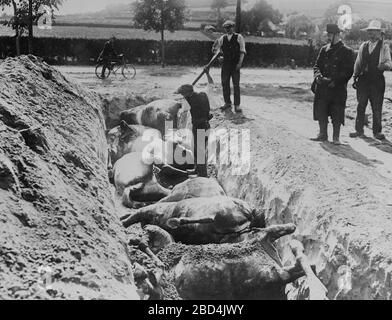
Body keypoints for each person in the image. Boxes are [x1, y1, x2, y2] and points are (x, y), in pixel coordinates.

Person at [312, 24, 354, 145]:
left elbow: (348, 71)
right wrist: (318, 76)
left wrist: (335, 81)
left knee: (336, 112)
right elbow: (316, 66)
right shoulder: (324, 49)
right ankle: (322, 134)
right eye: (328, 34)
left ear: (337, 35)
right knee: (321, 110)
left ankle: (336, 137)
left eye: (330, 34)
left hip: (337, 88)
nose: (328, 37)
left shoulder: (347, 51)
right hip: (322, 86)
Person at [350, 20, 392, 141]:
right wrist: (355, 76)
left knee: (377, 107)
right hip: (363, 80)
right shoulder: (363, 46)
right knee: (360, 105)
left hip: (377, 81)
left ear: (379, 33)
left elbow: (389, 63)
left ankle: (377, 132)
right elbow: (358, 63)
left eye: (373, 32)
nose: (371, 34)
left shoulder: (384, 47)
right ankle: (358, 130)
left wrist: (383, 66)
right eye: (369, 32)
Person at [175, 83, 213, 178]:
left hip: (200, 126)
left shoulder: (192, 100)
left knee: (199, 151)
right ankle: (197, 170)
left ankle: (202, 175)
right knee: (197, 150)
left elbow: (184, 109)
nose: (183, 96)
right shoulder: (202, 95)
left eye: (183, 94)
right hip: (204, 125)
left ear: (187, 94)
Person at [213, 20, 247, 114]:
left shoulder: (239, 37)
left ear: (233, 27)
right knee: (225, 83)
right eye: (226, 28)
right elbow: (216, 49)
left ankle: (237, 105)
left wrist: (240, 63)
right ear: (224, 29)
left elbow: (242, 51)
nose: (228, 29)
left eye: (230, 27)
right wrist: (219, 56)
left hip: (235, 64)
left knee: (236, 85)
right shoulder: (222, 38)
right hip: (225, 65)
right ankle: (227, 103)